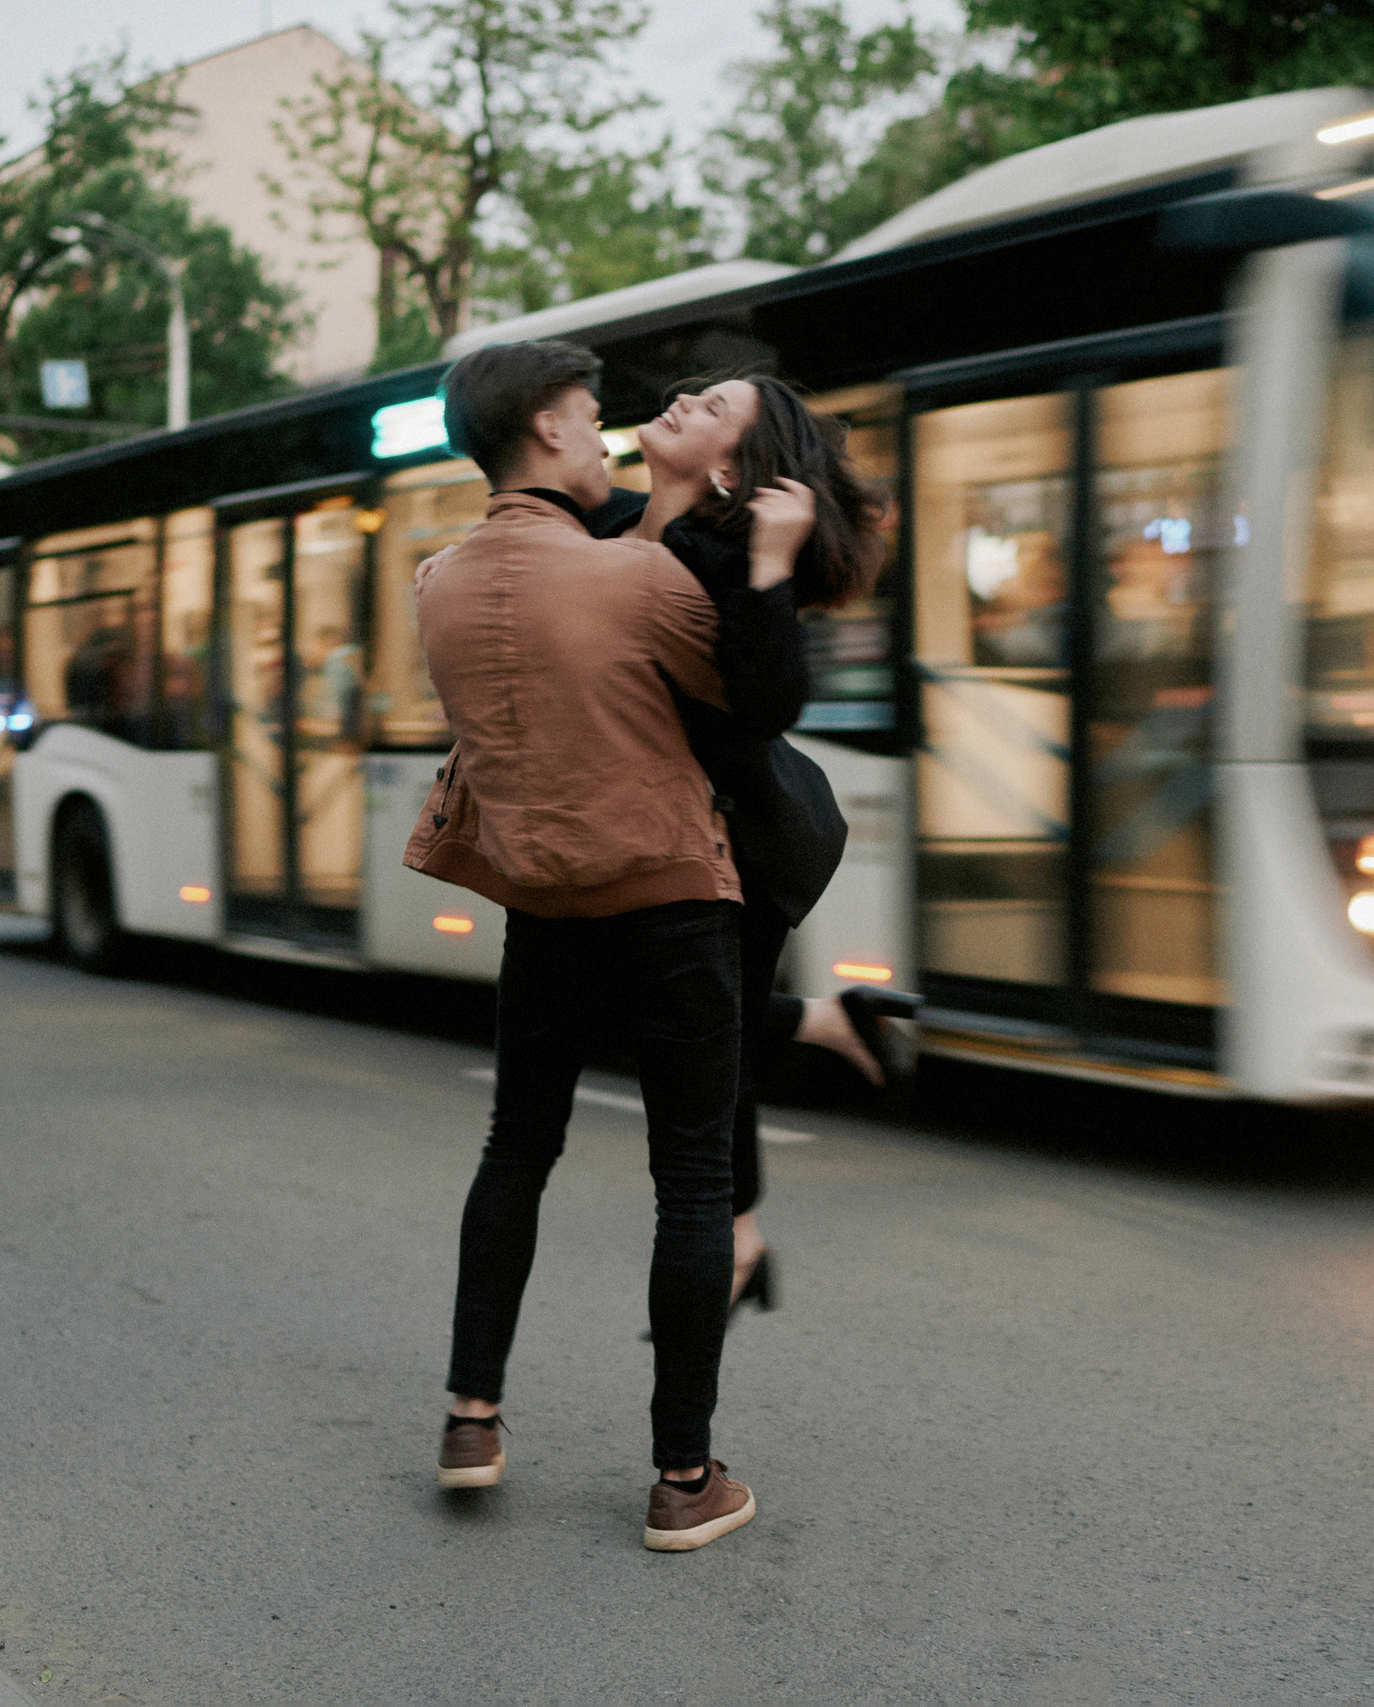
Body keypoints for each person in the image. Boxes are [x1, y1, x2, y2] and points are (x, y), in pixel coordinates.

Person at [406, 339, 757, 1552]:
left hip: (541, 913)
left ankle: (470, 1418)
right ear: (551, 430)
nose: (604, 437)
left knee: (516, 1147)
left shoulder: (436, 581)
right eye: (593, 419)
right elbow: (737, 698)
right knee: (694, 1181)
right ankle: (681, 1477)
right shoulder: (637, 581)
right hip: (668, 899)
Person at [593, 376, 896, 1318]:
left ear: (728, 468)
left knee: (681, 1040)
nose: (683, 398)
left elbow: (768, 705)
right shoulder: (617, 528)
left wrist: (771, 563)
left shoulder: (720, 561)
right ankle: (814, 1038)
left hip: (754, 844)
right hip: (691, 836)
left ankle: (735, 1234)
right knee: (693, 1044)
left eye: (714, 407)